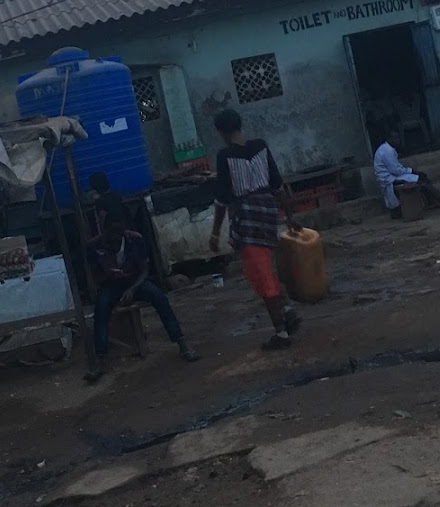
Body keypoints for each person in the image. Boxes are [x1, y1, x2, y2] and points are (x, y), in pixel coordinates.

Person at [208, 108, 301, 350]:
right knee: (266, 268)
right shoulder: (261, 145)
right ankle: (288, 309)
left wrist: (215, 232)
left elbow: (222, 199)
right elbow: (278, 184)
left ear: (222, 132)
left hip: (247, 216)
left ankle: (281, 333)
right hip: (268, 212)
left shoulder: (224, 155)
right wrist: (289, 218)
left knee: (260, 273)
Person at [85, 215, 198, 382]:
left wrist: (132, 289)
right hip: (110, 284)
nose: (115, 239)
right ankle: (101, 359)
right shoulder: (94, 246)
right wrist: (108, 275)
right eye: (111, 235)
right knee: (101, 309)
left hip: (135, 281)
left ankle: (181, 343)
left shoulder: (135, 239)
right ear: (105, 231)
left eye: (118, 234)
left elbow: (145, 270)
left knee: (160, 298)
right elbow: (94, 275)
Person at [372, 131, 440, 218]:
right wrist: (412, 171)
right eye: (395, 138)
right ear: (389, 139)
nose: (398, 141)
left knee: (422, 177)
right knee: (422, 180)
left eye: (398, 138)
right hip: (390, 179)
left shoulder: (386, 148)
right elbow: (396, 170)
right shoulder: (387, 150)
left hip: (391, 176)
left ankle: (431, 202)